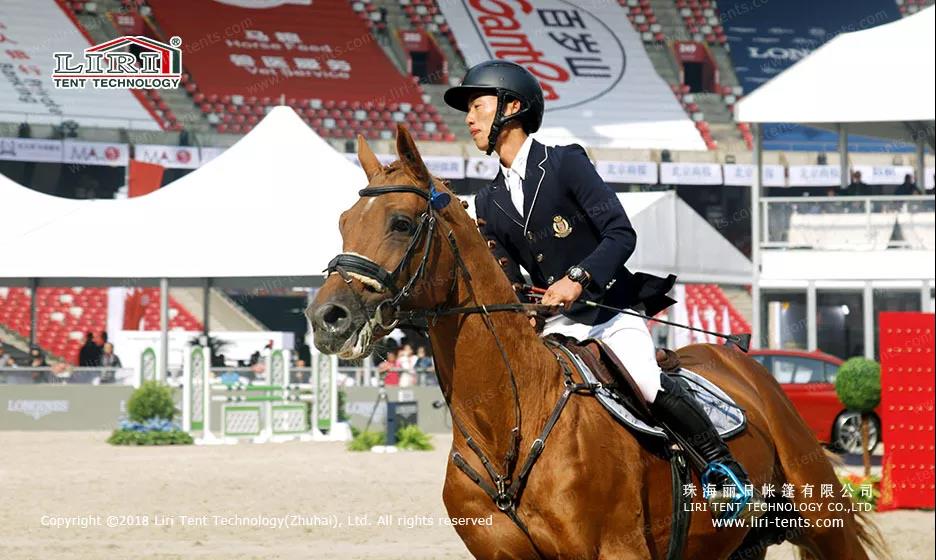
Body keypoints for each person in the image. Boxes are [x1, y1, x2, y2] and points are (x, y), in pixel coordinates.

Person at [444, 59, 762, 516]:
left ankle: (720, 465)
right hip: (555, 329)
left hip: (607, 312)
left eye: (477, 106)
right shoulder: (489, 201)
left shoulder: (565, 162)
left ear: (512, 107)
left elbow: (620, 234)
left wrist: (577, 278)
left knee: (648, 384)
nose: (469, 118)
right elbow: (511, 277)